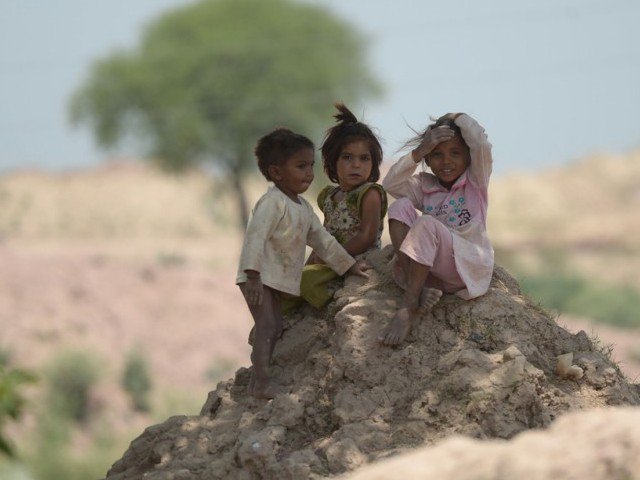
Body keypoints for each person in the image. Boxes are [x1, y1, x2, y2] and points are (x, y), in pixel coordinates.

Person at [236, 127, 368, 399]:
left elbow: (323, 241)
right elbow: (254, 238)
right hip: (258, 277)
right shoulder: (272, 203)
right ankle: (261, 382)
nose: (309, 173)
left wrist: (349, 265)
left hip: (273, 278)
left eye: (311, 166)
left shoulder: (303, 208)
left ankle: (257, 381)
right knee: (267, 326)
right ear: (276, 172)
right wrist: (251, 276)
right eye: (300, 166)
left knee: (275, 326)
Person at [379, 112, 494, 346]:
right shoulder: (425, 185)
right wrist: (420, 150)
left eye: (455, 153)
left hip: (464, 268)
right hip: (433, 273)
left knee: (428, 223)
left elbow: (481, 142)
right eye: (437, 155)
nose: (447, 161)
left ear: (468, 157)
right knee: (400, 207)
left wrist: (455, 116)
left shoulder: (475, 181)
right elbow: (390, 184)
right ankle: (418, 287)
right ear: (428, 160)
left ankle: (408, 305)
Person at [288, 103, 387, 310]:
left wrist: (334, 257)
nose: (356, 165)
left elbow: (367, 236)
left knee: (306, 282)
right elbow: (325, 235)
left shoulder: (369, 194)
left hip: (357, 262)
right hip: (331, 260)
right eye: (347, 157)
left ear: (373, 163)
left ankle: (328, 308)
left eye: (364, 158)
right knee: (286, 284)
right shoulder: (329, 196)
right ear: (333, 162)